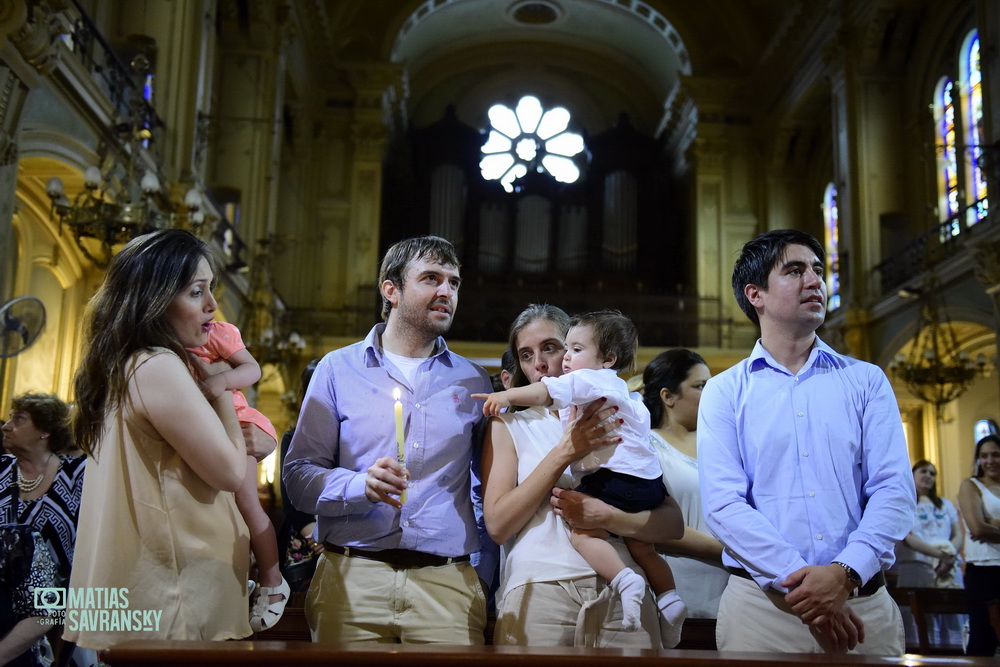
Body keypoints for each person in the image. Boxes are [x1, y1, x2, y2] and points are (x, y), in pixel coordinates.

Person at [698, 229, 915, 655]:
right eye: (795, 271)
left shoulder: (866, 380)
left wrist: (843, 574)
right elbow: (724, 504)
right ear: (755, 294)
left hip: (861, 606)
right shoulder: (725, 391)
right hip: (763, 614)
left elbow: (894, 490)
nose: (814, 280)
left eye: (818, 270)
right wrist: (808, 586)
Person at [282, 235, 498, 644]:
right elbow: (297, 477)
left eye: (454, 283)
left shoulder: (472, 380)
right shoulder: (338, 369)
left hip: (446, 585)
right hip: (353, 580)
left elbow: (486, 489)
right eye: (431, 278)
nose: (446, 292)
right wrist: (359, 485)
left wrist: (481, 576)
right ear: (391, 290)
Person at [65, 229, 254, 649]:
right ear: (154, 299)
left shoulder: (124, 365)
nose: (212, 306)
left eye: (211, 290)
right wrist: (221, 386)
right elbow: (227, 471)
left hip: (155, 589)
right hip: (176, 594)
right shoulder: (157, 366)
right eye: (195, 292)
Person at [475, 310, 686, 643]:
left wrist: (609, 516)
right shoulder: (510, 426)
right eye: (526, 355)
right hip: (541, 586)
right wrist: (565, 452)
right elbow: (499, 525)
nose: (539, 364)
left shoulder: (615, 409)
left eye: (550, 348)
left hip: (626, 588)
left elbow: (672, 523)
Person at [188, 320, 288, 631]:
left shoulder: (213, 331)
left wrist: (221, 380)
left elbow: (252, 369)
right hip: (202, 427)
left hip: (237, 423)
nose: (206, 302)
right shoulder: (157, 337)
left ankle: (273, 581)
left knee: (246, 502)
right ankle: (234, 573)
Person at [642, 349, 728, 622]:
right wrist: (728, 552)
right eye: (700, 386)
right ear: (668, 396)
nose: (711, 393)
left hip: (733, 592)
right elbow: (648, 524)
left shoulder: (721, 444)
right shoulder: (645, 446)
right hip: (678, 590)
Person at [0, 393, 85, 665]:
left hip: (61, 605)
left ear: (45, 430)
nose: (6, 425)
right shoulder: (1, 469)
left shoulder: (78, 475)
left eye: (19, 419)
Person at [893, 459, 965, 648]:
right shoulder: (903, 502)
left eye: (932, 473)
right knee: (920, 625)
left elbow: (958, 534)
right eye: (923, 471)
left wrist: (949, 557)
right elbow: (907, 538)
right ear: (912, 475)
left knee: (952, 622)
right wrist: (940, 555)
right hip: (916, 568)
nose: (928, 476)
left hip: (948, 568)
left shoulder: (946, 504)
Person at [277, 359, 323, 593]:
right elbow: (289, 494)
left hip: (339, 536)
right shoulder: (292, 438)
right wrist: (313, 536)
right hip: (304, 534)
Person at [957, 434, 1000, 656]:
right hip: (983, 570)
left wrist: (992, 522)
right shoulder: (971, 486)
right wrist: (985, 524)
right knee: (983, 639)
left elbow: (986, 526)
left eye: (995, 455)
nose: (990, 461)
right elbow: (977, 528)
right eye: (984, 456)